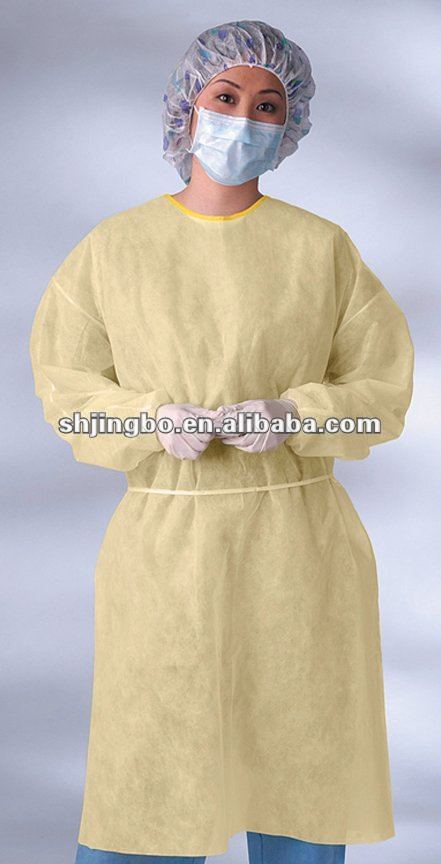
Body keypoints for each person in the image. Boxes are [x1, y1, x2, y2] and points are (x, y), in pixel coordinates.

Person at [29, 19, 414, 864]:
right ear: (186, 105)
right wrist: (146, 420)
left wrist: (296, 416)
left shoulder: (319, 250)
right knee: (154, 760)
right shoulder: (115, 249)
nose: (243, 119)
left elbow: (379, 390)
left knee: (301, 753)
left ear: (290, 124)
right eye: (226, 96)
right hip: (166, 545)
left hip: (297, 545)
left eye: (267, 105)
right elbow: (66, 387)